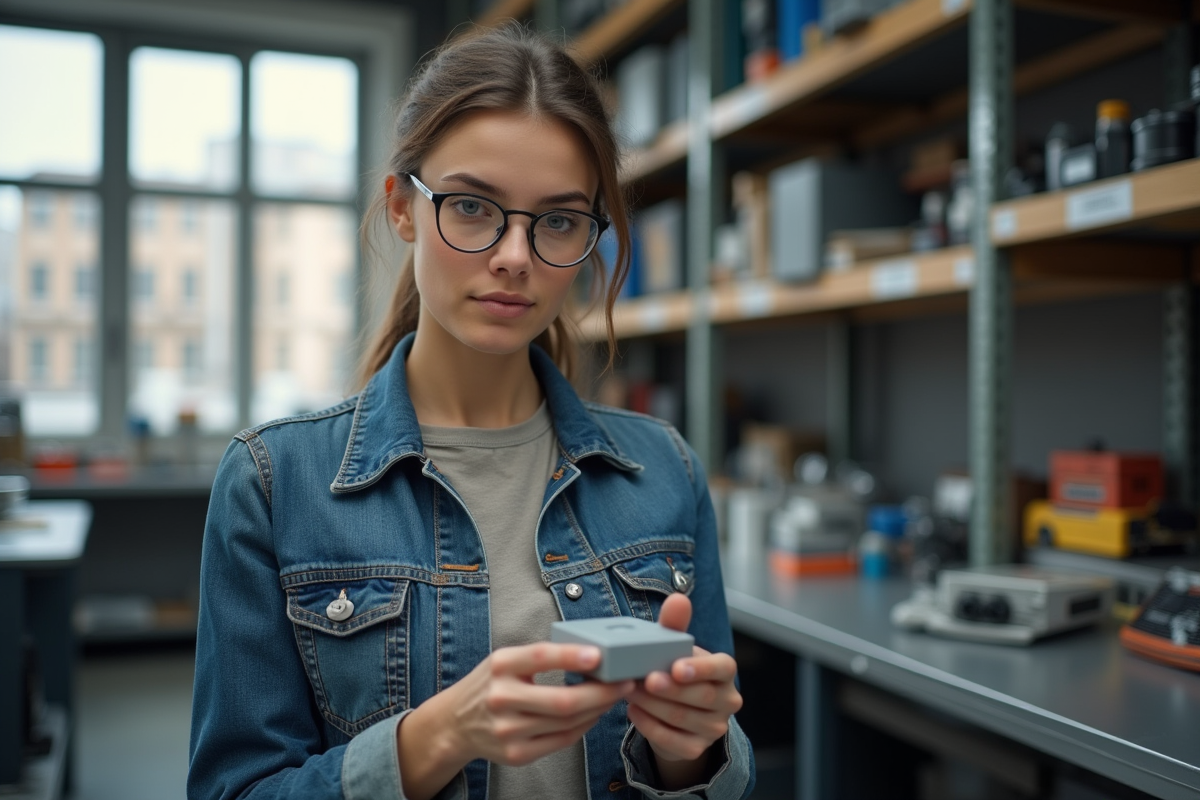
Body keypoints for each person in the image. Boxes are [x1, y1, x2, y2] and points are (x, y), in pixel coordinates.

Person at [188, 23, 754, 800]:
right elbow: (233, 790)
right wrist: (438, 737)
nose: (515, 256)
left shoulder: (665, 471)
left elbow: (718, 770)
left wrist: (691, 753)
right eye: (473, 207)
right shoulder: (272, 483)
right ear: (402, 209)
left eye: (557, 220)